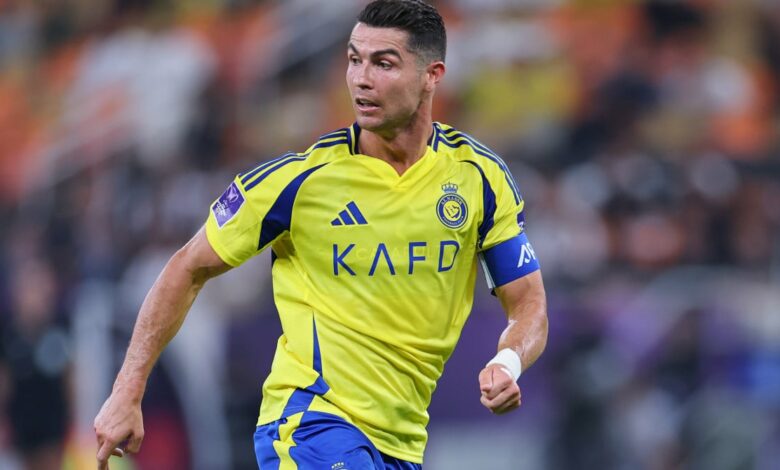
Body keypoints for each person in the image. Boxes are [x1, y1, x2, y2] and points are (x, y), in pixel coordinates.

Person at [94, 0, 548, 468]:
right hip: (310, 422)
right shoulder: (298, 182)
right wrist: (128, 389)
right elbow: (187, 267)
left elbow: (528, 302)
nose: (361, 79)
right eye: (354, 60)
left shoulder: (479, 178)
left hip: (402, 443)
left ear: (432, 75)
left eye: (383, 63)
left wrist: (508, 361)